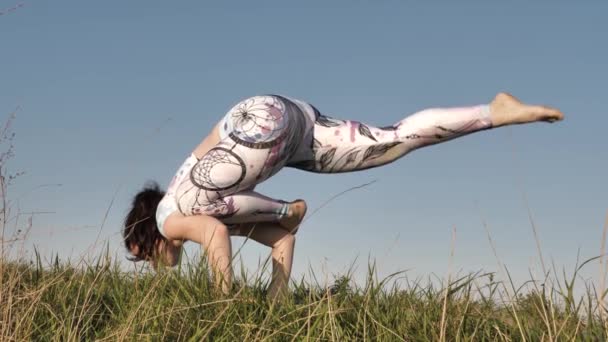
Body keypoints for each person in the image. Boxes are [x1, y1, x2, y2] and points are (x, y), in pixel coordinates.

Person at [123, 92, 564, 298]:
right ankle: (493, 113)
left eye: (139, 252)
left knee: (212, 212)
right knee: (392, 141)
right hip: (289, 119)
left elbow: (215, 234)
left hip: (255, 132)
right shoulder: (195, 201)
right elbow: (280, 239)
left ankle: (284, 207)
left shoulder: (169, 217)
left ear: (147, 234)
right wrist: (276, 293)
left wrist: (222, 304)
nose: (146, 261)